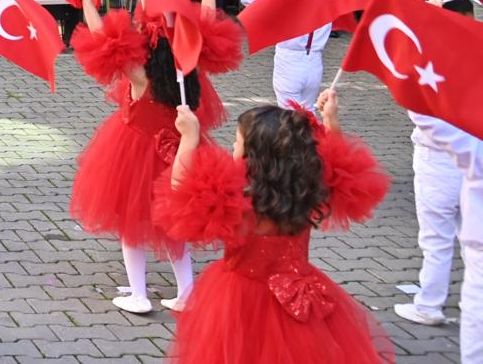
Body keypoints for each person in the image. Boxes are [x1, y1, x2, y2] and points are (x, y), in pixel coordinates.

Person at [157, 92, 393, 364]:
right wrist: (330, 120)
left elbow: (181, 191)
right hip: (297, 298)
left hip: (239, 299)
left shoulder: (239, 198)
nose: (233, 148)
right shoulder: (306, 188)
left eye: (237, 144)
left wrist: (189, 138)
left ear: (253, 156)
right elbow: (343, 169)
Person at [70, 0, 242, 316]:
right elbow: (207, 30)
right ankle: (186, 293)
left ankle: (139, 294)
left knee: (131, 225)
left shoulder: (138, 74)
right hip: (182, 151)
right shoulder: (189, 70)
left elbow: (104, 42)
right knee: (174, 222)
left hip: (134, 153)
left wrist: (88, 0)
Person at [397, 113, 465, 328]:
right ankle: (475, 300)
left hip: (436, 156)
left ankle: (429, 305)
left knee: (436, 239)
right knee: (475, 238)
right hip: (473, 151)